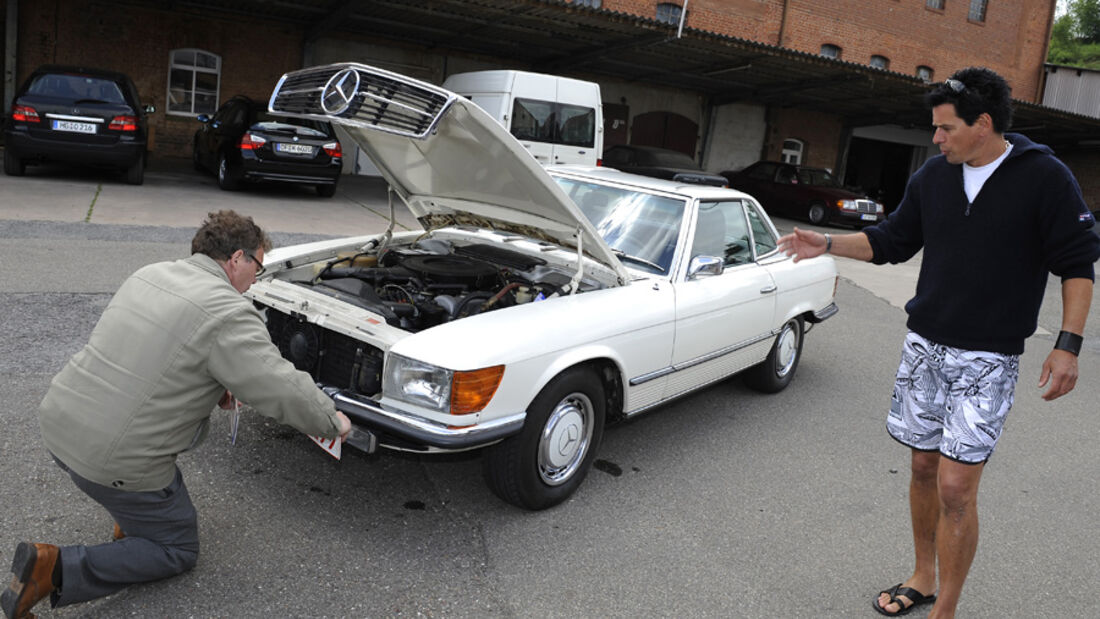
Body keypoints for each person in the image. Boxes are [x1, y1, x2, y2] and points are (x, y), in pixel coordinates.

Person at [777, 67, 1100, 618]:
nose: (936, 138)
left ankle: (944, 608)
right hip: (924, 347)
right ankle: (924, 575)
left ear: (983, 124)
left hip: (988, 357)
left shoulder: (1044, 177)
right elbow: (890, 242)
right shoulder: (933, 179)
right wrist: (824, 242)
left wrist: (1068, 345)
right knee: (923, 468)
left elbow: (1076, 263)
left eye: (946, 128)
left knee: (956, 487)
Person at [2, 210, 352, 619]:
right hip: (107, 457)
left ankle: (133, 521)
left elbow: (155, 355)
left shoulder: (150, 273)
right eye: (258, 265)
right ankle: (54, 568)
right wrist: (332, 421)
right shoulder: (227, 311)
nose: (257, 278)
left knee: (148, 477)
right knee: (177, 549)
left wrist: (215, 382)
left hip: (59, 424)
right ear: (237, 258)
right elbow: (280, 385)